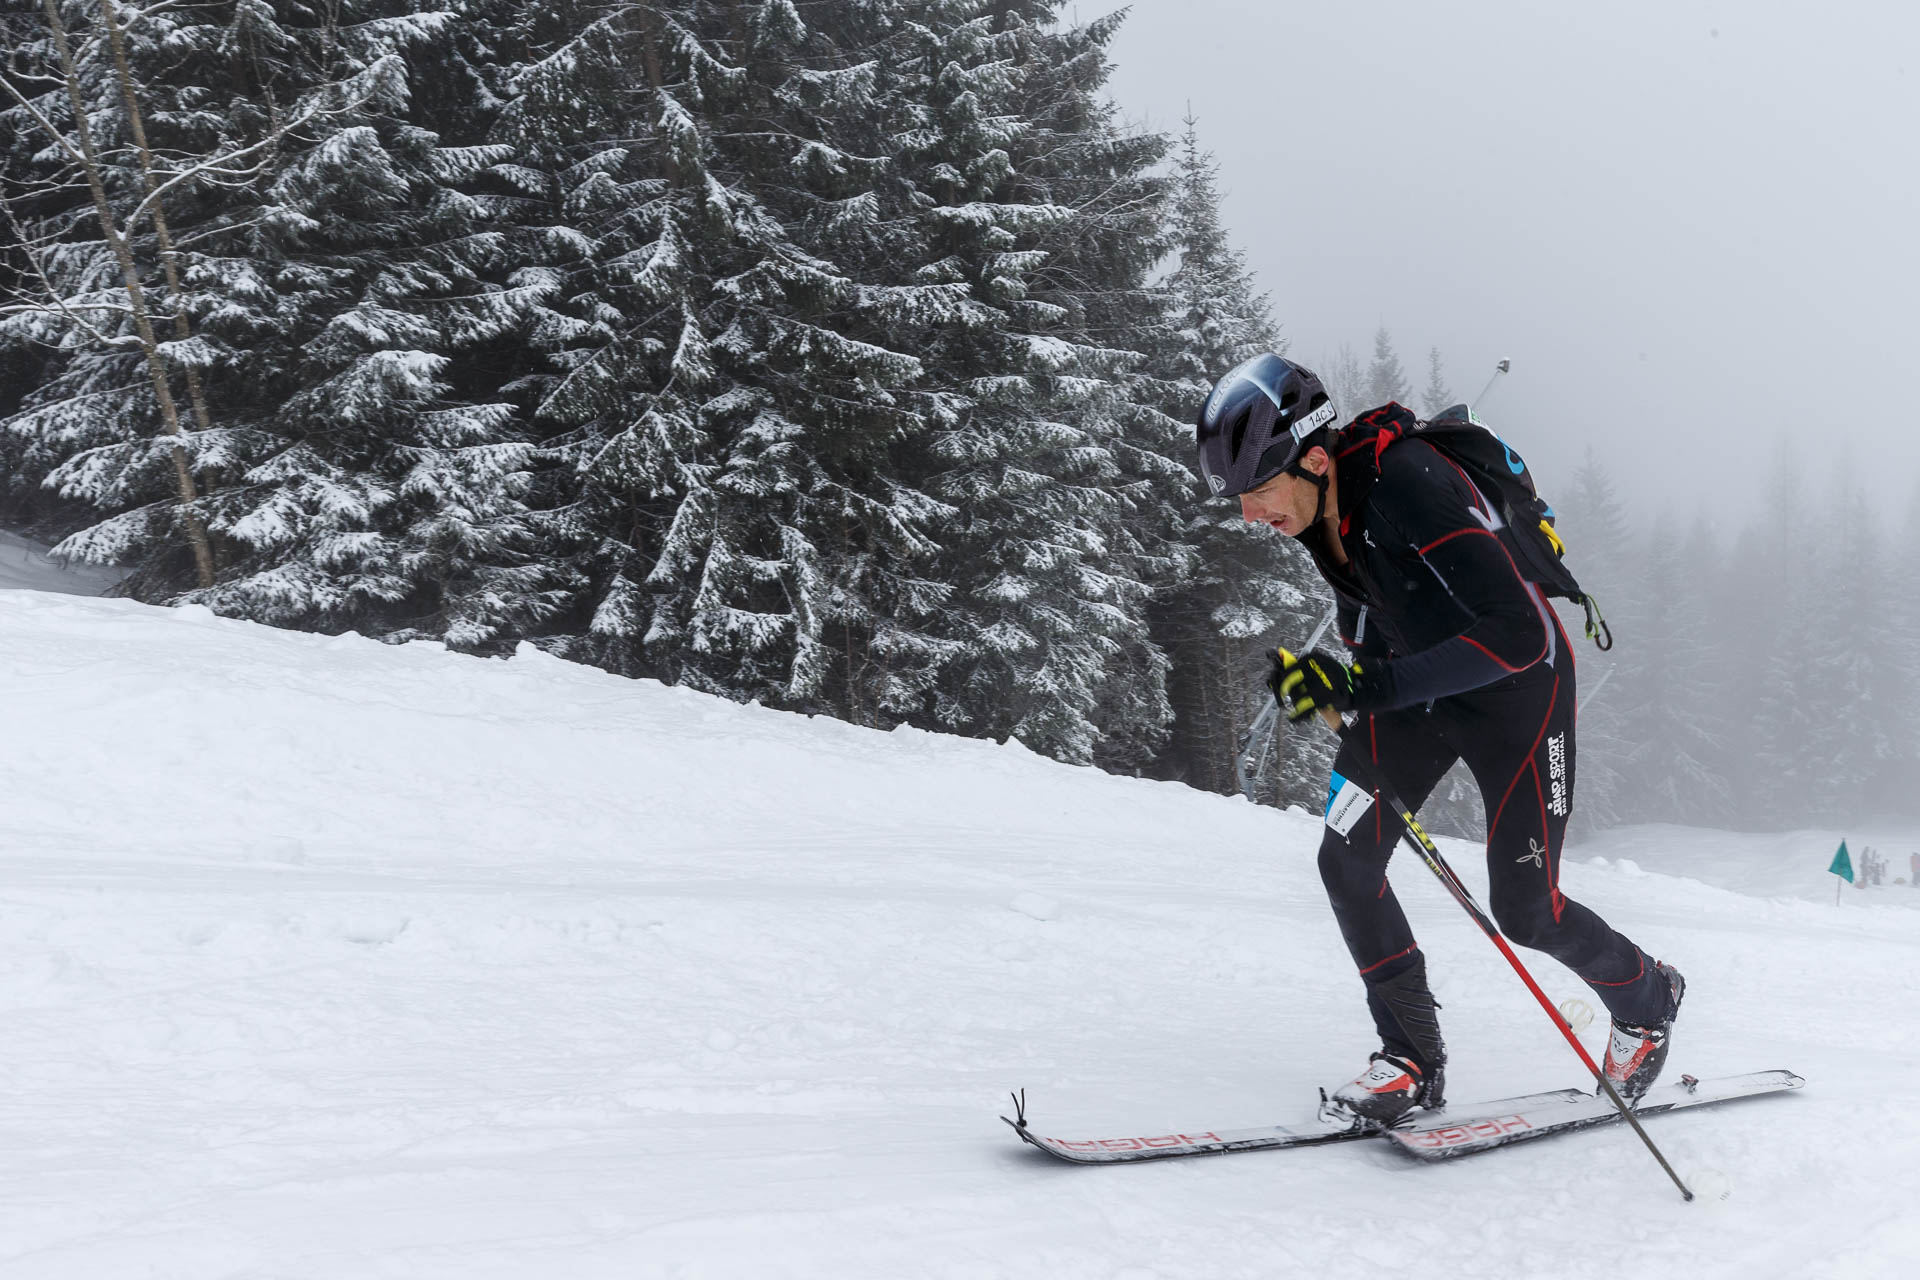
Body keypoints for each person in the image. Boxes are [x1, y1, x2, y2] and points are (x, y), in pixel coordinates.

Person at [1195, 352, 1683, 1127]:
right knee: (1347, 863)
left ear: (1316, 460)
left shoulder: (1409, 485)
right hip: (1416, 689)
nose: (1250, 514)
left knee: (1528, 912)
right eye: (1239, 498)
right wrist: (1335, 679)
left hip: (1519, 694)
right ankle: (1410, 1061)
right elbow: (1374, 599)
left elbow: (1520, 633)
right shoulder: (1321, 503)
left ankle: (1649, 997)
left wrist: (1367, 688)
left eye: (1256, 491)